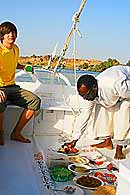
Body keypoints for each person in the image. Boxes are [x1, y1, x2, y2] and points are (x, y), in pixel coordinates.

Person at [63, 65, 130, 160]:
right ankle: (107, 142)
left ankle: (119, 147)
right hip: (113, 94)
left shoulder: (117, 84)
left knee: (123, 111)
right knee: (100, 108)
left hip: (126, 92)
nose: (85, 98)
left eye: (86, 95)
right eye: (82, 96)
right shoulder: (89, 93)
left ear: (94, 87)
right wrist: (74, 139)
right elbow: (85, 115)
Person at [0, 21, 41, 145]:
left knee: (35, 101)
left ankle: (16, 133)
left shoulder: (16, 49)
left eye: (13, 32)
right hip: (0, 88)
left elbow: (12, 64)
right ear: (2, 35)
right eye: (7, 33)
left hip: (13, 87)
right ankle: (0, 133)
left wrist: (24, 67)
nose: (11, 35)